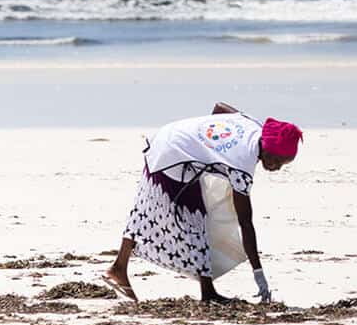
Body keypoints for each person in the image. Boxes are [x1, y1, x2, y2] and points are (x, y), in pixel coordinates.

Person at [103, 103, 302, 304]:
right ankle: (120, 269)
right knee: (181, 218)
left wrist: (204, 141)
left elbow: (219, 108)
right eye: (277, 161)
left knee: (159, 212)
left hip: (170, 136)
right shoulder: (242, 163)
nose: (277, 168)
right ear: (267, 150)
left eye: (283, 164)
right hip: (172, 155)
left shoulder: (252, 125)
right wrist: (258, 274)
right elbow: (245, 222)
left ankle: (204, 290)